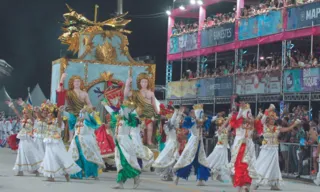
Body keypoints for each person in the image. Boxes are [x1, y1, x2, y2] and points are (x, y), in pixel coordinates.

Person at [253, 104, 301, 190]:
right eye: (270, 119)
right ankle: (257, 182)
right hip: (266, 149)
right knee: (263, 164)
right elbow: (262, 120)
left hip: (274, 149)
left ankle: (274, 184)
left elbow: (286, 129)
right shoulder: (264, 126)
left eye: (273, 119)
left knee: (274, 166)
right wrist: (269, 109)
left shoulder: (277, 128)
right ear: (267, 119)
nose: (272, 120)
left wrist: (295, 124)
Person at [39, 103, 81, 182]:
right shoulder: (48, 121)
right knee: (49, 158)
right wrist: (38, 112)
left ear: (54, 114)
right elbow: (40, 118)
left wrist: (59, 112)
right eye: (48, 114)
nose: (48, 115)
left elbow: (59, 120)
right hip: (49, 142)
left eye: (50, 114)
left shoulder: (58, 122)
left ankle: (66, 173)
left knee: (59, 157)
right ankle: (51, 176)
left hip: (56, 142)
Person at [106, 101, 141, 189]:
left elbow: (126, 112)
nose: (120, 111)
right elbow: (112, 111)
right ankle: (120, 183)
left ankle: (136, 177)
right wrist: (106, 104)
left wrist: (122, 103)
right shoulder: (118, 119)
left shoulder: (128, 118)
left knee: (126, 162)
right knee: (119, 163)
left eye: (122, 109)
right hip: (118, 143)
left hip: (125, 142)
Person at [173, 104, 211, 186]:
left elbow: (205, 124)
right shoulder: (193, 121)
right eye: (200, 112)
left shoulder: (201, 121)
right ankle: (178, 176)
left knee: (201, 161)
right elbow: (189, 124)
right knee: (188, 160)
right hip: (193, 143)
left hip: (199, 144)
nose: (202, 114)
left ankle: (200, 180)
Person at [228, 96, 259, 192]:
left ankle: (246, 186)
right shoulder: (236, 119)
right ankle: (241, 186)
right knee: (238, 165)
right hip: (239, 145)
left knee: (248, 165)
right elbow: (232, 123)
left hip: (248, 146)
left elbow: (256, 124)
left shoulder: (251, 122)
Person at [6, 99, 42, 176]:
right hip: (22, 139)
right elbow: (17, 113)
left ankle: (36, 169)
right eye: (24, 113)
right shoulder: (23, 120)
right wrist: (12, 106)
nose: (24, 114)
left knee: (31, 154)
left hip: (29, 139)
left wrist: (24, 105)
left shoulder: (33, 120)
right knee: (21, 154)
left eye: (26, 113)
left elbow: (29, 113)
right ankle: (20, 170)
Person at [68, 106, 105, 179]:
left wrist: (85, 112)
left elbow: (88, 118)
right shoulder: (78, 121)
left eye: (82, 113)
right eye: (80, 113)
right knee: (76, 157)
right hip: (77, 141)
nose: (80, 114)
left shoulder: (88, 121)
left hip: (86, 141)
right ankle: (77, 174)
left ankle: (92, 173)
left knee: (87, 157)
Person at [124, 72, 159, 148]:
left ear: (148, 82)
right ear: (139, 83)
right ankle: (140, 141)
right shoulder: (136, 92)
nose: (144, 83)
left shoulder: (151, 93)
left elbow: (154, 104)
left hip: (150, 112)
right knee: (141, 128)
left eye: (146, 82)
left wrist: (158, 113)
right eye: (142, 82)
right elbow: (126, 94)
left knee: (150, 128)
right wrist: (127, 84)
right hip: (140, 113)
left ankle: (149, 142)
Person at [56, 73, 92, 142]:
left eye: (78, 81)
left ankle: (82, 138)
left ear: (81, 82)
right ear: (72, 83)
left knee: (85, 122)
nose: (77, 83)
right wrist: (62, 79)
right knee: (71, 120)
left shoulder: (84, 93)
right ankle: (71, 138)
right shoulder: (69, 92)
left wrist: (86, 109)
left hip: (82, 112)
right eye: (75, 81)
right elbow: (59, 90)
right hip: (71, 111)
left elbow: (89, 104)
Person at [152, 106, 184, 181]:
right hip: (171, 145)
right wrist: (176, 112)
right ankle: (166, 174)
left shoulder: (174, 126)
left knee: (173, 160)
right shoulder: (168, 126)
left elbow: (176, 122)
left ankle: (169, 174)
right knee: (169, 160)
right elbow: (173, 121)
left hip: (174, 144)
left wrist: (179, 113)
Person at [206, 115, 231, 183]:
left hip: (224, 148)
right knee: (216, 160)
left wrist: (233, 119)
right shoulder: (219, 130)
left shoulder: (225, 130)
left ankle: (218, 175)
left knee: (223, 162)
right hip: (219, 148)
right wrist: (228, 119)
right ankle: (213, 173)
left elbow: (230, 125)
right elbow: (225, 125)